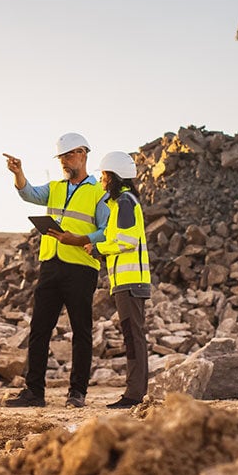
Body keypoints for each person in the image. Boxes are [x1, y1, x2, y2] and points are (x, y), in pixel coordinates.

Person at [3, 133, 108, 409]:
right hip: (51, 266)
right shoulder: (55, 188)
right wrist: (18, 172)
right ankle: (34, 392)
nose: (64, 161)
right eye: (61, 157)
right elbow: (29, 194)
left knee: (81, 332)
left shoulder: (99, 192)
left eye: (68, 156)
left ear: (83, 154)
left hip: (81, 269)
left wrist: (84, 239)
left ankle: (77, 392)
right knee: (38, 329)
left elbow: (106, 230)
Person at [88, 151, 152, 409]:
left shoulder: (125, 202)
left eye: (103, 175)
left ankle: (134, 394)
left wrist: (99, 248)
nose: (101, 181)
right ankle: (134, 392)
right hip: (126, 282)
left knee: (133, 337)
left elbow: (126, 242)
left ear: (113, 176)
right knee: (132, 335)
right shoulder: (123, 203)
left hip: (131, 282)